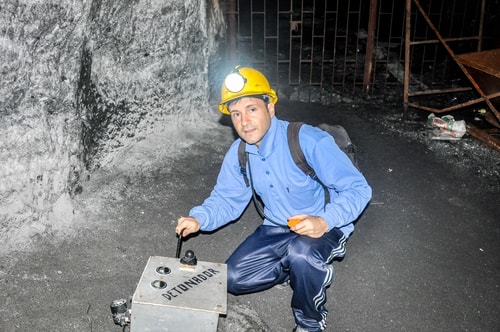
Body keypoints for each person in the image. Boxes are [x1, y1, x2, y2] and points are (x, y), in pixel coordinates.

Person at [176, 66, 372, 332]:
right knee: (231, 279)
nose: (244, 121)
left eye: (252, 109)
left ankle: (310, 322)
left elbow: (359, 188)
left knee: (303, 254)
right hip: (276, 227)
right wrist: (200, 217)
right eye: (236, 114)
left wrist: (325, 221)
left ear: (270, 108)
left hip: (322, 226)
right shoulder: (239, 153)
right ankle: (292, 267)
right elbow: (226, 198)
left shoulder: (307, 140)